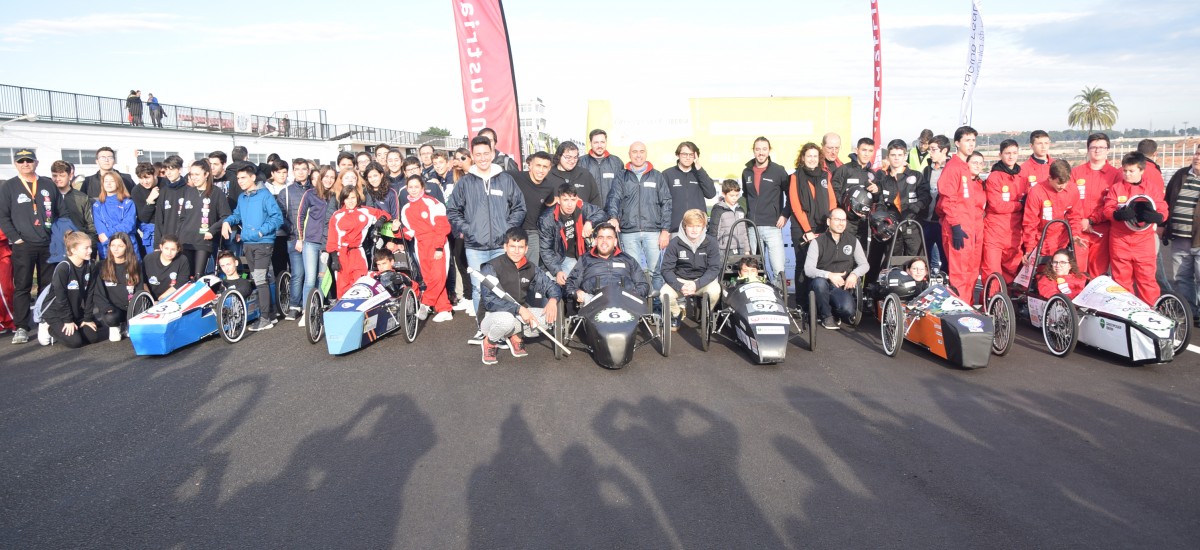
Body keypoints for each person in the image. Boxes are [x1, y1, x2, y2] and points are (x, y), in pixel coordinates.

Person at [446, 135, 527, 324]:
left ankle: (504, 328)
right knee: (478, 288)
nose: (482, 158)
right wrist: (468, 229)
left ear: (492, 153)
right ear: (473, 156)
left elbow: (519, 207)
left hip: (501, 246)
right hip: (475, 247)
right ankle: (483, 328)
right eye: (478, 154)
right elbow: (452, 210)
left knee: (503, 288)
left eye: (486, 153)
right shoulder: (465, 183)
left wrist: (507, 229)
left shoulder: (505, 179)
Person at [477, 228, 561, 365]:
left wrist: (553, 300)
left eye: (520, 247)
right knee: (506, 320)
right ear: (505, 247)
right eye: (512, 247)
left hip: (517, 316)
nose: (516, 251)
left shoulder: (530, 268)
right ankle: (489, 342)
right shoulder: (491, 266)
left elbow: (550, 285)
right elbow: (489, 301)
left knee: (549, 318)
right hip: (492, 317)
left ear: (526, 248)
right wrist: (519, 309)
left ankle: (514, 334)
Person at [0, 148, 57, 344]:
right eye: (21, 161)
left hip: (47, 244)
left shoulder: (48, 185)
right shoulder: (9, 187)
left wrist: (57, 236)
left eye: (29, 160)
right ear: (16, 164)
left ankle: (46, 321)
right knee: (23, 287)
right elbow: (3, 216)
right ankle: (22, 327)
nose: (26, 164)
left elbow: (60, 212)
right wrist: (15, 238)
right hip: (23, 245)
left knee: (47, 286)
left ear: (36, 163)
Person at [222, 164, 284, 331]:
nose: (240, 181)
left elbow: (277, 218)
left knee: (259, 278)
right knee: (260, 279)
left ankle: (265, 319)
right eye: (238, 179)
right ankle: (270, 314)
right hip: (247, 243)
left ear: (253, 178)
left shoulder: (265, 195)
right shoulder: (242, 197)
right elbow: (237, 215)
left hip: (263, 243)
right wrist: (227, 221)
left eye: (243, 178)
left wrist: (261, 232)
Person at [606, 141, 672, 295]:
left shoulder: (657, 176)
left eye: (641, 151)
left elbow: (667, 203)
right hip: (629, 232)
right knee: (635, 272)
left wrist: (665, 230)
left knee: (657, 271)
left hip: (653, 231)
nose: (638, 155)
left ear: (646, 153)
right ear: (629, 155)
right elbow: (614, 198)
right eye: (634, 151)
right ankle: (640, 306)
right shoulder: (622, 176)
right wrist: (613, 217)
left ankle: (658, 307)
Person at [1104, 152, 1168, 305]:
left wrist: (1158, 217)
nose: (1127, 174)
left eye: (1131, 171)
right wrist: (1117, 214)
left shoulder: (1151, 189)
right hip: (1120, 241)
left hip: (1143, 242)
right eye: (1125, 170)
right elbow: (1107, 209)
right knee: (1121, 281)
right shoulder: (1116, 188)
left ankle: (1150, 312)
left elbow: (1162, 208)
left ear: (1141, 171)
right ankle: (1125, 314)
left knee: (1147, 280)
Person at [937, 127, 985, 301]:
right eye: (967, 140)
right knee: (960, 274)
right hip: (957, 229)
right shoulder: (953, 167)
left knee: (971, 272)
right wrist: (956, 226)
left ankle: (969, 307)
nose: (971, 144)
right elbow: (947, 200)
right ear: (957, 143)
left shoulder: (965, 167)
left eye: (973, 140)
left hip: (970, 229)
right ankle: (961, 312)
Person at [325, 185, 396, 300]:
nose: (350, 201)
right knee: (343, 287)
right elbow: (332, 239)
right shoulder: (337, 215)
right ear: (343, 200)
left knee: (360, 284)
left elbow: (385, 214)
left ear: (358, 197)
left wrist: (381, 221)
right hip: (341, 254)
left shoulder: (365, 211)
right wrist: (334, 258)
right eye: (347, 198)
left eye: (353, 197)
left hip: (358, 253)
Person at [400, 175, 454, 323]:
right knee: (430, 278)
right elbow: (409, 233)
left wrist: (438, 247)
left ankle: (425, 303)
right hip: (420, 244)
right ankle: (444, 309)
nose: (413, 190)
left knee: (438, 275)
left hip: (436, 241)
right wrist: (396, 230)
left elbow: (442, 226)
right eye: (410, 187)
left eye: (416, 187)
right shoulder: (405, 209)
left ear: (422, 187)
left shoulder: (432, 203)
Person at [804, 209, 869, 329]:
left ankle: (833, 312)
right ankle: (826, 317)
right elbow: (808, 269)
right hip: (822, 283)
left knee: (848, 310)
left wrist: (854, 274)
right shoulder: (817, 242)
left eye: (843, 220)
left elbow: (865, 265)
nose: (841, 223)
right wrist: (829, 275)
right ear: (829, 222)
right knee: (819, 283)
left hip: (841, 285)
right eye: (837, 219)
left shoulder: (853, 241)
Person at [788, 142, 837, 291]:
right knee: (803, 264)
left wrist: (831, 225)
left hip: (823, 226)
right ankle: (802, 306)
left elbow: (832, 201)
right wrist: (808, 231)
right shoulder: (795, 177)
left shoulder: (824, 176)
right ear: (802, 158)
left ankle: (819, 302)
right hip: (802, 228)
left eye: (815, 156)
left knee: (822, 264)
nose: (812, 159)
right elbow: (796, 206)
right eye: (809, 156)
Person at [1071, 132, 1122, 277]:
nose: (1097, 150)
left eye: (1101, 147)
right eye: (1093, 147)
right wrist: (1081, 221)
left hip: (1102, 231)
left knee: (1097, 274)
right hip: (1079, 228)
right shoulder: (1076, 172)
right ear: (1088, 149)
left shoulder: (1115, 175)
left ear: (1108, 150)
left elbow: (1113, 203)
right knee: (1077, 272)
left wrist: (1092, 220)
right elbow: (1070, 201)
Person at [660, 209, 721, 329]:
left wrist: (697, 284)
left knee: (715, 291)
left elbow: (714, 268)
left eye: (698, 226)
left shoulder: (711, 242)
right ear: (684, 226)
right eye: (691, 226)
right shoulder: (674, 243)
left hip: (702, 280)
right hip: (680, 280)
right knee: (664, 294)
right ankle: (676, 314)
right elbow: (666, 269)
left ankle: (705, 314)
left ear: (703, 226)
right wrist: (679, 286)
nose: (694, 229)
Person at [39, 231, 101, 347]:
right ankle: (48, 327)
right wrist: (68, 320)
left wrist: (87, 318)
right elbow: (60, 298)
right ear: (73, 250)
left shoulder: (90, 266)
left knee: (93, 337)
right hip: (55, 312)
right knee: (75, 342)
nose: (91, 251)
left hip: (74, 310)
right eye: (86, 248)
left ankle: (75, 326)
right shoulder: (63, 268)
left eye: (90, 247)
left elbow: (90, 294)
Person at [540, 183, 609, 286]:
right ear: (558, 200)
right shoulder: (547, 219)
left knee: (589, 280)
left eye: (573, 200)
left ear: (577, 199)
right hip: (557, 258)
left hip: (577, 256)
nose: (570, 204)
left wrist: (590, 222)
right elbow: (546, 250)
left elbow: (601, 213)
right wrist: (557, 271)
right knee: (567, 282)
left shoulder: (581, 207)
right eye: (565, 200)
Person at [740, 137, 789, 280]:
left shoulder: (778, 171)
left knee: (778, 270)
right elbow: (745, 196)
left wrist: (785, 214)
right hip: (752, 227)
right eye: (758, 149)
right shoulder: (746, 172)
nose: (761, 152)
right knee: (755, 269)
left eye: (764, 149)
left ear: (769, 150)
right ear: (753, 150)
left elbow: (791, 195)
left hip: (772, 226)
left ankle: (780, 299)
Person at [981, 139, 1029, 283]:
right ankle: (990, 303)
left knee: (1012, 270)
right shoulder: (994, 177)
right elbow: (997, 205)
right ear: (1000, 154)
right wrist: (1019, 205)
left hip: (1014, 232)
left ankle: (1009, 303)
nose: (1011, 156)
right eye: (1007, 153)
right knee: (992, 272)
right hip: (995, 232)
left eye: (1014, 153)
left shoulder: (1022, 176)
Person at [295, 165, 338, 325]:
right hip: (311, 242)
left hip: (327, 243)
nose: (329, 180)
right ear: (320, 177)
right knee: (310, 278)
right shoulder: (310, 194)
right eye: (326, 176)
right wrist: (300, 238)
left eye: (332, 177)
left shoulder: (335, 196)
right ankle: (307, 312)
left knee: (322, 278)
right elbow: (300, 215)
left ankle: (318, 309)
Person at [564, 222, 650, 302]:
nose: (604, 241)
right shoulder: (585, 259)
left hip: (624, 303)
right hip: (593, 303)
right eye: (601, 237)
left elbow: (643, 285)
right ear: (596, 240)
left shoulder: (628, 260)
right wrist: (577, 292)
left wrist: (632, 296)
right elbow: (570, 284)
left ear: (615, 242)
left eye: (609, 238)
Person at [874, 139, 929, 257]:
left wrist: (916, 207)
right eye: (893, 155)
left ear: (905, 156)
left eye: (900, 155)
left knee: (916, 260)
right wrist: (880, 218)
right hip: (892, 226)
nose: (896, 158)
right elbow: (881, 202)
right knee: (893, 261)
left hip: (913, 225)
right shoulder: (884, 179)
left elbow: (925, 196)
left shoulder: (916, 176)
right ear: (888, 157)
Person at [1022, 159, 1084, 264]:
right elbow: (1030, 223)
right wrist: (1029, 248)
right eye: (1059, 183)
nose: (1062, 187)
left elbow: (1075, 216)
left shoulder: (1072, 189)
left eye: (1065, 183)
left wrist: (1075, 235)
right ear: (1050, 178)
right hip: (1041, 241)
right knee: (1041, 276)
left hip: (1062, 241)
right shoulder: (1037, 192)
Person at [177, 161, 230, 277]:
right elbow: (182, 218)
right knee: (186, 276)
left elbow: (226, 216)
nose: (194, 178)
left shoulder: (216, 193)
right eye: (192, 174)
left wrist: (212, 230)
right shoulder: (188, 192)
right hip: (186, 240)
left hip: (203, 241)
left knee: (198, 275)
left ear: (206, 174)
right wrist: (178, 237)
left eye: (197, 174)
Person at [1165, 146, 1200, 318]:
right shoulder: (1181, 174)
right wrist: (1164, 225)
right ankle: (1190, 313)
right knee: (1182, 278)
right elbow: (1166, 199)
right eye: (1197, 153)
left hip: (1198, 239)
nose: (1197, 157)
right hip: (1180, 238)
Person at [510, 151, 557, 268]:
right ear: (530, 165)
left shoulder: (549, 186)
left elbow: (549, 201)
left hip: (532, 232)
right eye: (538, 165)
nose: (541, 170)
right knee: (510, 268)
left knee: (532, 269)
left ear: (549, 169)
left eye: (545, 167)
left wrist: (560, 200)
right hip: (512, 230)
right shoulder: (515, 176)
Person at [90, 232, 141, 341]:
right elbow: (98, 293)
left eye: (120, 246)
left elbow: (140, 291)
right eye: (113, 245)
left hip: (132, 308)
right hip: (114, 310)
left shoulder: (136, 265)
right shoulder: (101, 266)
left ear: (127, 247)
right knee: (113, 329)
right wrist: (106, 308)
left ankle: (130, 324)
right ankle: (115, 326)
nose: (116, 249)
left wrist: (136, 311)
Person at [831, 138, 878, 244]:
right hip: (845, 222)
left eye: (870, 151)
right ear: (857, 150)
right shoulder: (844, 169)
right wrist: (847, 209)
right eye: (864, 150)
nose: (867, 154)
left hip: (863, 223)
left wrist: (876, 191)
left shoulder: (872, 174)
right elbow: (834, 192)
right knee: (845, 255)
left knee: (861, 256)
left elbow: (876, 200)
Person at [48, 161, 96, 263]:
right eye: (54, 176)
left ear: (70, 176)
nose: (57, 179)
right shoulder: (47, 197)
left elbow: (90, 224)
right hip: (54, 247)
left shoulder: (82, 198)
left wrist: (90, 245)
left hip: (77, 248)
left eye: (62, 175)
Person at [662, 141, 716, 232]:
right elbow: (662, 202)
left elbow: (711, 193)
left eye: (691, 155)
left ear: (695, 156)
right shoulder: (667, 174)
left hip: (698, 227)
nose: (687, 158)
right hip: (675, 228)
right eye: (684, 154)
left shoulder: (699, 173)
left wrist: (699, 169)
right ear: (678, 155)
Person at [922, 135, 951, 273]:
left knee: (945, 258)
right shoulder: (928, 170)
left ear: (944, 150)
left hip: (942, 222)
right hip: (926, 221)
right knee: (925, 257)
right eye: (929, 149)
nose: (930, 153)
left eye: (933, 149)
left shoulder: (951, 169)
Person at [92, 172, 137, 260]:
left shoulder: (128, 203)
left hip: (125, 243)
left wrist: (109, 234)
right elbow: (99, 226)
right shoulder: (97, 205)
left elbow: (128, 225)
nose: (108, 184)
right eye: (106, 181)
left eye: (112, 181)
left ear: (118, 183)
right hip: (106, 245)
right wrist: (106, 239)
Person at [543, 141, 602, 207]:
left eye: (575, 157)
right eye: (568, 157)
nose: (572, 161)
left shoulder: (585, 175)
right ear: (559, 156)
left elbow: (596, 204)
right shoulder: (547, 176)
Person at [579, 129, 624, 201]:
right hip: (590, 210)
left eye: (602, 142)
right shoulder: (580, 162)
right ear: (590, 143)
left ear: (606, 142)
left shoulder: (616, 162)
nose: (599, 146)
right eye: (596, 142)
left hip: (611, 210)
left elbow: (622, 189)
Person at [709, 179, 751, 255]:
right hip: (724, 250)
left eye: (737, 195)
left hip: (740, 248)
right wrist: (714, 251)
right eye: (731, 195)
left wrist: (747, 250)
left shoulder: (740, 210)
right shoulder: (718, 210)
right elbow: (714, 232)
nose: (735, 198)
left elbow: (745, 231)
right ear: (723, 194)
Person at [143, 234, 190, 300]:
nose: (169, 252)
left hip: (171, 296)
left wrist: (162, 299)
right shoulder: (149, 259)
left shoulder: (182, 260)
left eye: (173, 249)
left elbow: (181, 282)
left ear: (178, 249)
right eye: (166, 248)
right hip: (150, 296)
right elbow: (143, 281)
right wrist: (149, 299)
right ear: (161, 247)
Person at [130, 162, 159, 257]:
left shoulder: (165, 185)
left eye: (147, 177)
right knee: (153, 259)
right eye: (141, 178)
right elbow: (143, 218)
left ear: (155, 175)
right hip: (150, 229)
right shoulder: (136, 191)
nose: (144, 182)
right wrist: (150, 200)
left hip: (168, 226)